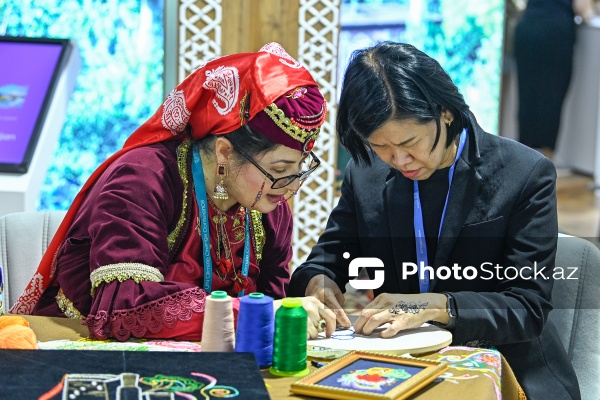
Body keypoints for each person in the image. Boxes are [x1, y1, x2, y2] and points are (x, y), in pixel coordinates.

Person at [289, 42, 580, 399]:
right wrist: (318, 284)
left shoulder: (523, 174)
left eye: (410, 142)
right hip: (397, 365)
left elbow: (526, 307)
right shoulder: (366, 174)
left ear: (444, 112)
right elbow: (325, 259)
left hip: (505, 365)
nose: (399, 159)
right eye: (381, 146)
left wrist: (433, 304)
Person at [10, 43, 336, 341]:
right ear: (224, 152)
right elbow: (125, 308)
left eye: (300, 167)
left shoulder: (268, 206)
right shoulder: (142, 180)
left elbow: (273, 301)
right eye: (279, 170)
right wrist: (255, 314)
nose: (292, 185)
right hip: (88, 350)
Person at [513, 0, 598, 157]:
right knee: (551, 101)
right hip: (554, 34)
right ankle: (543, 168)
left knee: (528, 100)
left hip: (527, 28)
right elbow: (581, 8)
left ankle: (523, 165)